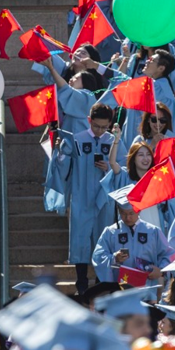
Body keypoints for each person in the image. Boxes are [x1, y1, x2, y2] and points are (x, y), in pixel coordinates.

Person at [48, 103, 116, 293]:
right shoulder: (76, 140)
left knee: (102, 239)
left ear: (110, 124)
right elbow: (63, 167)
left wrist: (109, 168)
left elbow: (123, 168)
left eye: (104, 127)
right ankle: (81, 283)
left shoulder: (113, 141)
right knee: (80, 239)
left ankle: (101, 283)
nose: (99, 130)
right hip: (81, 195)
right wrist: (61, 152)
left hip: (104, 198)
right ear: (89, 121)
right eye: (96, 126)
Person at [91, 185, 172, 284]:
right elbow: (98, 257)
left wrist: (161, 270)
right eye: (123, 213)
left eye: (131, 213)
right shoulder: (110, 232)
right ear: (119, 211)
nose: (128, 218)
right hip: (120, 288)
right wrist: (114, 258)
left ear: (139, 210)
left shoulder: (153, 231)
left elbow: (168, 254)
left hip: (147, 288)